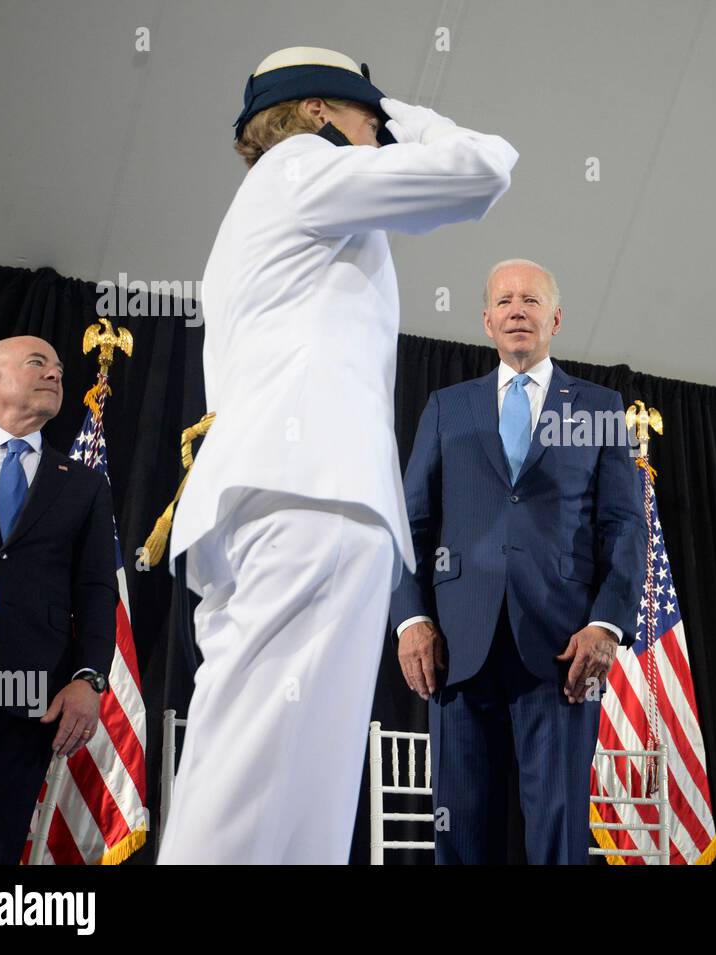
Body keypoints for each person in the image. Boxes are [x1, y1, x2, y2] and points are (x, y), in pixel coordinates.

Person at [160, 46, 517, 864]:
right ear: (321, 112)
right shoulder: (300, 167)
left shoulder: (278, 195)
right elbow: (483, 170)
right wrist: (407, 118)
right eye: (367, 117)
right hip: (308, 501)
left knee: (299, 794)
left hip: (299, 502)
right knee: (256, 778)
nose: (377, 135)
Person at [391, 259, 647, 864]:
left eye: (531, 301)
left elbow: (624, 525)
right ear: (486, 321)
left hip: (564, 651)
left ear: (555, 319)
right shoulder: (447, 407)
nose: (517, 310)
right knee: (461, 834)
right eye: (504, 301)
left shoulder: (598, 406)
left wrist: (607, 624)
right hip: (456, 648)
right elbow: (410, 526)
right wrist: (409, 620)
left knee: (560, 833)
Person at [0, 335, 115, 864]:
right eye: (38, 363)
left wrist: (89, 679)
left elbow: (95, 590)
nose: (56, 375)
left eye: (60, 368)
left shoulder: (83, 484)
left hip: (27, 686)